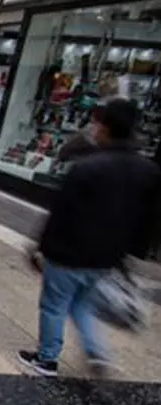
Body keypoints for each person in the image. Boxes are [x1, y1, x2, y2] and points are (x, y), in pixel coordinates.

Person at [18, 98, 160, 378]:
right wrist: (128, 254)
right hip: (107, 255)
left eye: (97, 124)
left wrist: (39, 248)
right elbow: (148, 219)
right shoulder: (148, 170)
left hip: (69, 251)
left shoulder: (87, 166)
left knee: (54, 304)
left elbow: (60, 212)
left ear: (105, 128)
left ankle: (47, 359)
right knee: (82, 304)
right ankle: (97, 352)